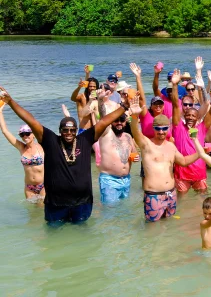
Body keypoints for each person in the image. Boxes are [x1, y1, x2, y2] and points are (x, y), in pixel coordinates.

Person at [1, 85, 127, 225]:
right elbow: (31, 120)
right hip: (56, 204)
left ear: (75, 131)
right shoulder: (50, 141)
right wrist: (11, 102)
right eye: (65, 130)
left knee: (81, 235)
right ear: (60, 131)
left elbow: (104, 121)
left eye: (72, 130)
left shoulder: (84, 139)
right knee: (53, 237)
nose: (69, 133)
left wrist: (124, 107)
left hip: (82, 203)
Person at [129, 102, 199, 222]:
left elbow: (183, 161)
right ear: (153, 128)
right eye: (158, 128)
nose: (161, 132)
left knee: (170, 227)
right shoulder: (147, 144)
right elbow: (135, 132)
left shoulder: (171, 146)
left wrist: (201, 153)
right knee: (152, 230)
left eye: (164, 128)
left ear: (168, 128)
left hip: (171, 194)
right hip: (153, 196)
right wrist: (135, 117)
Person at [170, 70, 211, 193]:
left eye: (193, 116)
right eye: (188, 115)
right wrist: (175, 85)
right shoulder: (178, 126)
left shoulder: (202, 127)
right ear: (184, 116)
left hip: (199, 172)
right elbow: (176, 105)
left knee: (201, 201)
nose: (190, 117)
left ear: (197, 117)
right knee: (182, 202)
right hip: (181, 172)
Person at [0, 108, 45, 202]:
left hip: (43, 185)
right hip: (29, 187)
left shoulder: (42, 147)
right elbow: (5, 131)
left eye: (27, 133)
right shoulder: (21, 147)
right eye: (22, 134)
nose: (25, 136)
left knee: (42, 211)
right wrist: (0, 111)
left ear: (33, 134)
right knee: (32, 214)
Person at [97, 113, 138, 203]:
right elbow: (103, 120)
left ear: (125, 122)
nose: (119, 123)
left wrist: (135, 157)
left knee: (124, 209)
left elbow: (134, 152)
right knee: (110, 210)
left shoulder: (128, 136)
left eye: (122, 120)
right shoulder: (106, 134)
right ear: (111, 122)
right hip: (109, 180)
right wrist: (100, 101)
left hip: (126, 180)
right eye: (116, 120)